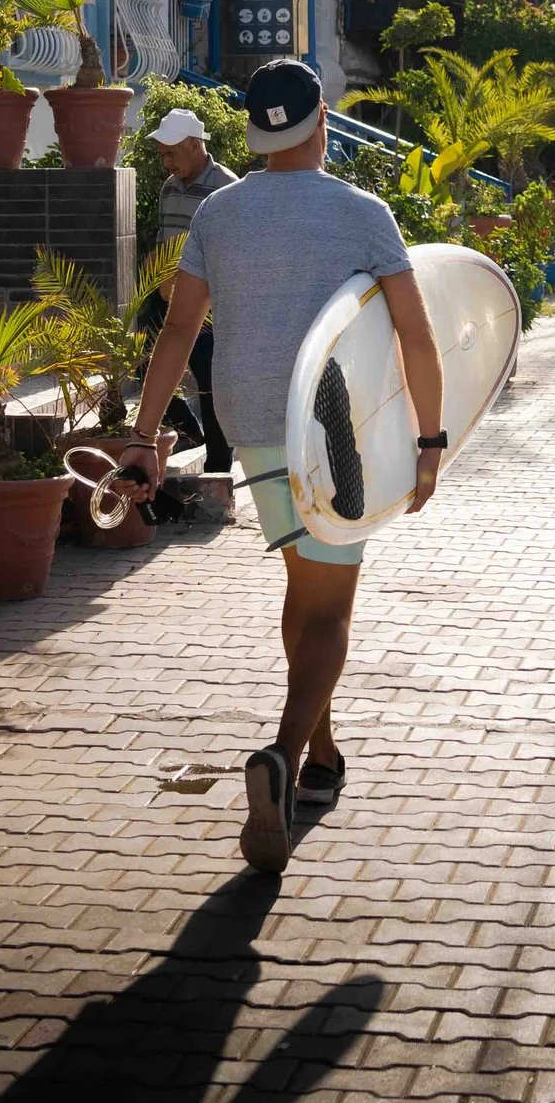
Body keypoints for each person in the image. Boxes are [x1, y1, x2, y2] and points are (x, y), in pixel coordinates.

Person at [123, 59, 445, 875]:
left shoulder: (219, 213)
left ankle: (324, 751)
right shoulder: (362, 211)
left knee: (305, 584)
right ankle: (283, 754)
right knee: (332, 606)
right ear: (323, 123)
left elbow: (178, 331)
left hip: (253, 422)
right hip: (337, 429)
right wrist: (431, 438)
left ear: (257, 134)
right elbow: (414, 333)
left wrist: (142, 434)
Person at [144, 108, 238, 465]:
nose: (166, 162)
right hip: (164, 297)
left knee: (210, 387)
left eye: (171, 153)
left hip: (206, 307)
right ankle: (187, 428)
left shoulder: (226, 187)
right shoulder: (170, 187)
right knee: (142, 362)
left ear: (195, 145)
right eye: (163, 154)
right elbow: (162, 236)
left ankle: (218, 470)